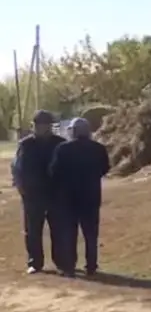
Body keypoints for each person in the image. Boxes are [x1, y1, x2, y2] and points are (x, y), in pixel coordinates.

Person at [48, 118, 110, 277]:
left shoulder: (63, 149)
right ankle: (91, 265)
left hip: (69, 198)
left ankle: (69, 266)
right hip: (91, 196)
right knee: (91, 234)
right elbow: (105, 168)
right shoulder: (98, 148)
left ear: (73, 131)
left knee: (70, 233)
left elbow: (54, 172)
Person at [11, 110, 66, 275]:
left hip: (55, 192)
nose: (42, 128)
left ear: (50, 126)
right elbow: (17, 167)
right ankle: (35, 262)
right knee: (33, 229)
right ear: (34, 126)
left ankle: (61, 261)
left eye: (45, 124)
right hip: (32, 193)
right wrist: (19, 185)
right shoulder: (25, 144)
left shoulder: (60, 143)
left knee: (59, 228)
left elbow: (68, 167)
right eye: (39, 125)